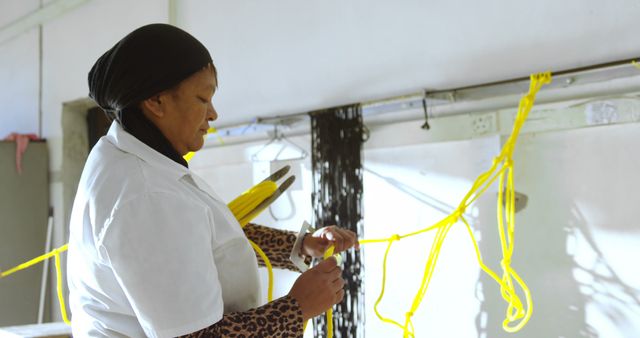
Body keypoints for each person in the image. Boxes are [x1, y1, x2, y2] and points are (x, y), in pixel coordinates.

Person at [66, 23, 359, 338]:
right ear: (156, 101)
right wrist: (298, 307)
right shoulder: (148, 195)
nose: (213, 114)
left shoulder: (135, 160)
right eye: (203, 98)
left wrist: (300, 246)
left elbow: (198, 236)